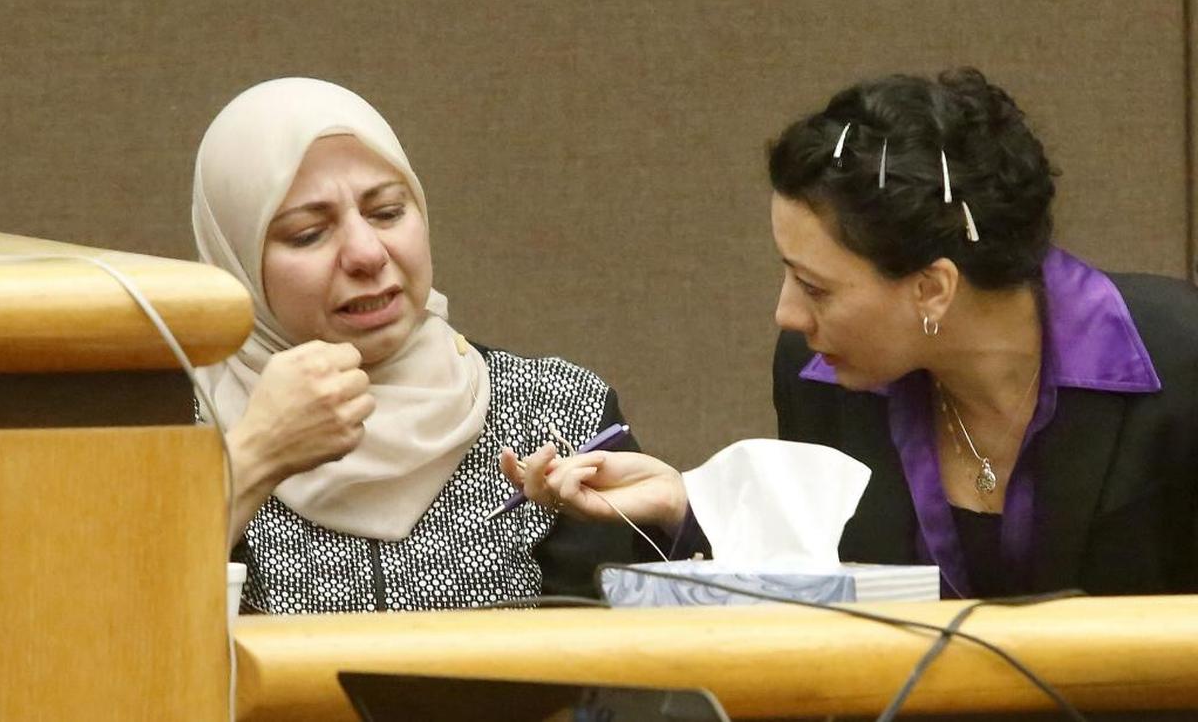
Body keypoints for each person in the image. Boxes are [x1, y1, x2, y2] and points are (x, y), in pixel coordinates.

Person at [505, 68, 1198, 599]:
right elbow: (823, 594)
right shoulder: (819, 374)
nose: (787, 315)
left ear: (933, 287)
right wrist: (685, 506)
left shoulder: (1180, 359)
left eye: (815, 288)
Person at [192, 77, 638, 613]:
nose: (366, 253)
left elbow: (635, 662)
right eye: (309, 233)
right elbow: (109, 634)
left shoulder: (556, 407)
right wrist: (255, 455)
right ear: (235, 259)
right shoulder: (172, 426)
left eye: (386, 212)